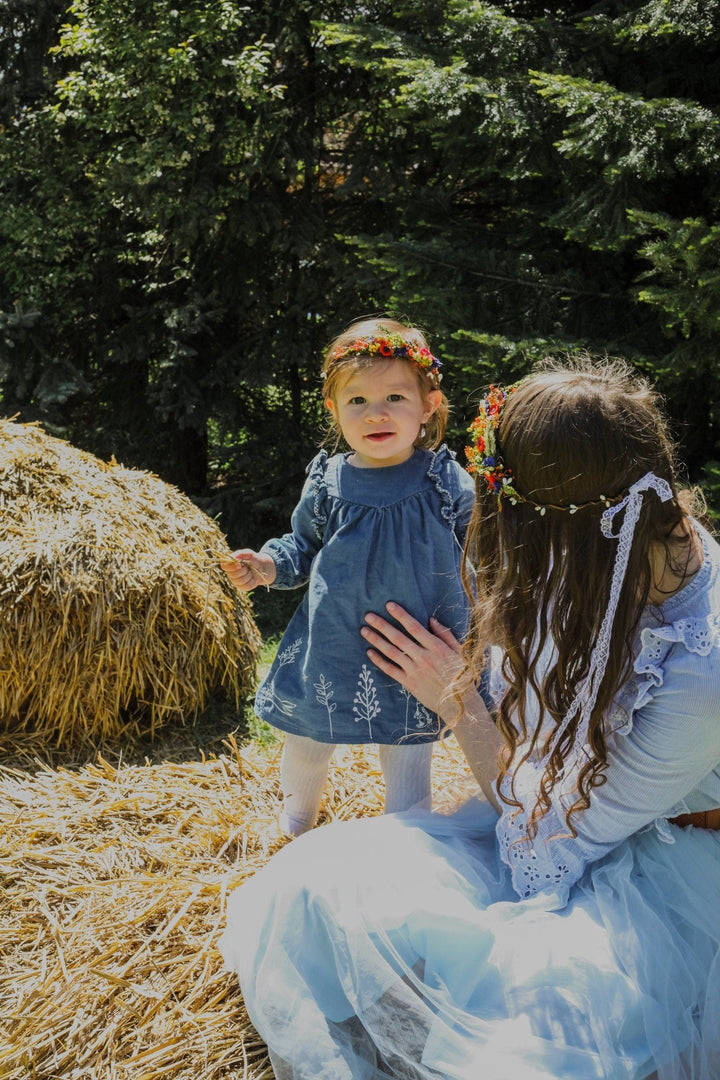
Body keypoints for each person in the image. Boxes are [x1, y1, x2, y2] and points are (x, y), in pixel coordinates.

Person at [220, 356, 720, 1079]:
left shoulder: (700, 673)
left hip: (655, 854)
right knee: (317, 886)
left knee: (530, 1047)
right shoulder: (615, 542)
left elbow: (553, 850)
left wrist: (457, 702)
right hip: (560, 807)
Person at [221, 317, 476, 835]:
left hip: (418, 651)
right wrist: (269, 566)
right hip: (333, 645)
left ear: (428, 404)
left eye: (395, 399)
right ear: (333, 409)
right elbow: (303, 546)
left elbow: (485, 547)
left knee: (407, 753)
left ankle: (407, 837)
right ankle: (295, 819)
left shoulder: (445, 479)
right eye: (356, 400)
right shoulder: (329, 480)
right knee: (309, 743)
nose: (375, 413)